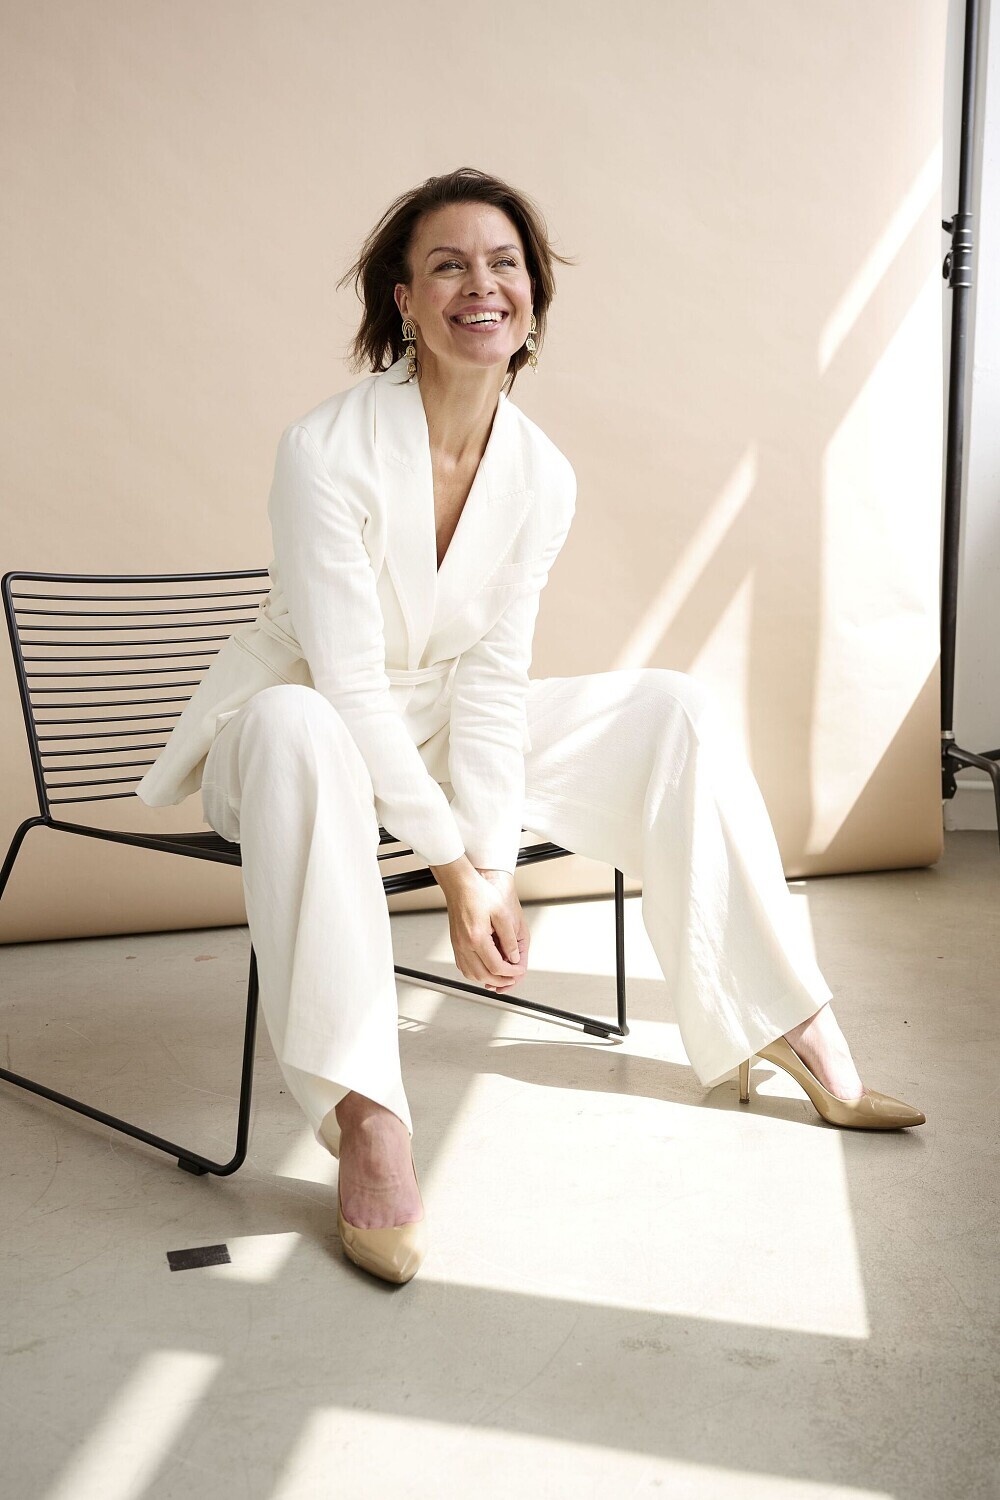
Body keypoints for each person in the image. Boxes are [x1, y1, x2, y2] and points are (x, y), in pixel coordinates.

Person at [137, 167, 924, 1286]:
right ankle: (368, 1116)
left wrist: (495, 861)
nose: (481, 284)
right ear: (404, 300)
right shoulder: (324, 449)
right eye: (448, 265)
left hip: (431, 730)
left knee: (672, 708)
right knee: (304, 725)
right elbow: (349, 684)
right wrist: (456, 869)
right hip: (290, 736)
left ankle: (784, 1018)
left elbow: (496, 681)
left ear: (533, 295)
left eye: (503, 263)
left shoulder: (540, 475)